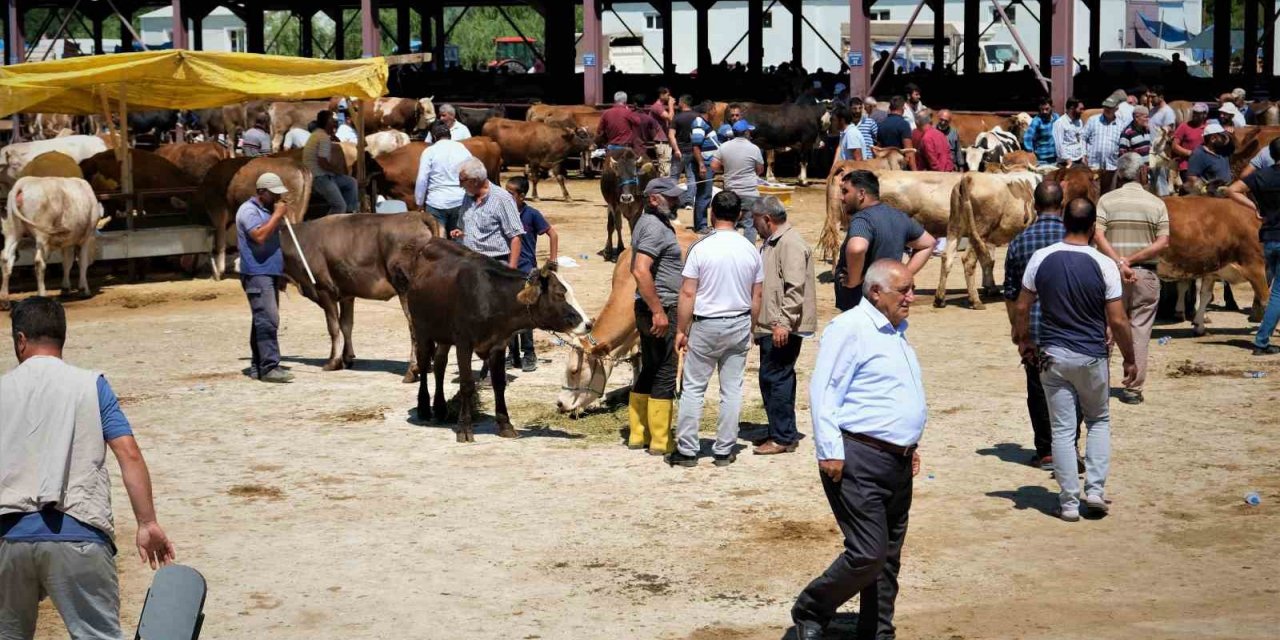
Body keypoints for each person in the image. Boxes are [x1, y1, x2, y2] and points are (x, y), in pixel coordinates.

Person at [0, 297, 177, 640]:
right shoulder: (91, 385)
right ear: (61, 338)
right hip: (79, 533)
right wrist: (147, 523)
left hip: (9, 538)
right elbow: (130, 454)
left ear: (20, 340)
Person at [790, 259, 926, 640]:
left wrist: (908, 444)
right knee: (868, 552)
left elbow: (891, 395)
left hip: (896, 461)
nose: (912, 298)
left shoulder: (896, 332)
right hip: (857, 457)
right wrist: (829, 450)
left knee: (887, 558)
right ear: (876, 291)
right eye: (905, 291)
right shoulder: (850, 328)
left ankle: (877, 633)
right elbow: (824, 391)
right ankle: (812, 608)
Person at [1013, 198, 1137, 522]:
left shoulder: (1041, 258)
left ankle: (1068, 503)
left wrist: (1023, 340)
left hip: (1052, 356)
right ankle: (1094, 491)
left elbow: (1022, 306)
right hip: (1092, 357)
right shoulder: (1105, 264)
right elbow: (1119, 320)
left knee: (1062, 431)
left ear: (1064, 223)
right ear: (1094, 227)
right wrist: (1130, 359)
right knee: (1098, 421)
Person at [668, 192, 764, 468]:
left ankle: (687, 449)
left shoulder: (701, 248)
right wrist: (752, 326)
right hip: (739, 321)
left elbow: (687, 293)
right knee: (731, 389)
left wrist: (681, 329)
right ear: (739, 216)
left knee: (694, 389)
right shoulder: (750, 249)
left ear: (712, 213)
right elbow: (756, 295)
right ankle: (724, 449)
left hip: (706, 323)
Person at [1003, 181, 1070, 469]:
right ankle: (1068, 449)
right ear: (1062, 204)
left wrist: (1018, 332)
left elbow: (1010, 293)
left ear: (1034, 205)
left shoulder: (1020, 241)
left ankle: (1046, 451)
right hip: (1072, 328)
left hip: (1035, 329)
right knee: (1072, 390)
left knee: (1038, 390)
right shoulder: (1076, 238)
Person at [1092, 153, 1168, 405]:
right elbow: (1162, 242)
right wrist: (1132, 260)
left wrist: (1118, 261)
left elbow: (1098, 235)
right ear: (1143, 172)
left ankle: (1098, 385)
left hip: (1111, 274)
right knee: (1140, 330)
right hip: (1144, 273)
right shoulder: (1156, 203)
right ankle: (1133, 388)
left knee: (1106, 328)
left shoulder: (1106, 201)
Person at [750, 197, 816, 455]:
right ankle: (781, 430)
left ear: (767, 219)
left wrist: (783, 323)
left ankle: (782, 437)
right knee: (774, 377)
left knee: (776, 377)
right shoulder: (775, 242)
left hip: (781, 325)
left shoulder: (790, 244)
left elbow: (795, 287)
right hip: (772, 322)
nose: (754, 226)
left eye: (756, 220)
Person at [628, 177, 687, 454]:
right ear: (653, 199)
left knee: (650, 367)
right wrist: (658, 312)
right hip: (660, 307)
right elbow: (640, 270)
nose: (676, 201)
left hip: (650, 305)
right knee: (665, 370)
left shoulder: (649, 221)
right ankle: (661, 441)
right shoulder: (654, 227)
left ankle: (639, 434)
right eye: (671, 197)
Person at [834, 170, 935, 311]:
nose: (841, 197)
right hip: (888, 304)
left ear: (861, 194)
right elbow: (928, 243)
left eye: (845, 191)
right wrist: (901, 276)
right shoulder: (898, 216)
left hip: (861, 304)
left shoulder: (862, 219)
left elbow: (857, 248)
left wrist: (853, 280)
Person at [236, 172, 294, 383]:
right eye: (273, 194)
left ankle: (258, 365)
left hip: (269, 271)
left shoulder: (264, 210)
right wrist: (277, 215)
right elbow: (259, 237)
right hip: (256, 273)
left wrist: (281, 271)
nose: (277, 199)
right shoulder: (248, 211)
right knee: (269, 319)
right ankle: (269, 367)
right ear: (262, 192)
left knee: (262, 319)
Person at [1226, 137, 1280, 356]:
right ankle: (1261, 341)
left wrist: (1255, 208)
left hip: (1269, 237)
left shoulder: (1261, 175)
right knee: (1277, 293)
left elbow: (1232, 190)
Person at [505, 175, 558, 372]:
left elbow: (553, 233)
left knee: (525, 313)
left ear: (521, 196)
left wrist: (552, 260)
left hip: (526, 270)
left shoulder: (531, 214)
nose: (506, 196)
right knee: (509, 314)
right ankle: (512, 354)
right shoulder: (503, 213)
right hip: (508, 269)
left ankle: (529, 353)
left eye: (510, 193)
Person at [448, 158, 522, 271]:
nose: (459, 185)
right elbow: (471, 226)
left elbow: (516, 236)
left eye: (462, 180)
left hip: (493, 264)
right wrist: (462, 234)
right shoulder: (468, 196)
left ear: (475, 180)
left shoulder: (502, 199)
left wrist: (511, 271)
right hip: (469, 260)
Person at [414, 121, 474, 236]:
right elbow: (471, 171)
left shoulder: (429, 151)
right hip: (459, 201)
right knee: (458, 243)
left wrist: (419, 203)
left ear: (434, 137)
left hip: (436, 202)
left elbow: (422, 179)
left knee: (439, 244)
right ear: (450, 136)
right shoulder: (462, 148)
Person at [711, 119, 766, 243]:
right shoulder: (754, 148)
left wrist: (727, 168)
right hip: (750, 192)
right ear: (746, 133)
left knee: (730, 223)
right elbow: (760, 170)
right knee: (750, 225)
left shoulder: (724, 147)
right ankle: (748, 249)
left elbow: (714, 166)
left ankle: (729, 247)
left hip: (731, 192)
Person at [303, 110, 359, 214]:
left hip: (323, 175)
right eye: (332, 121)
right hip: (319, 178)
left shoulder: (317, 134)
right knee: (339, 206)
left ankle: (350, 213)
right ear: (326, 122)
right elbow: (322, 162)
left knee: (351, 182)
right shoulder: (323, 137)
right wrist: (336, 171)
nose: (335, 123)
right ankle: (330, 226)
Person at [670, 96, 713, 230]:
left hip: (680, 151)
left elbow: (671, 135)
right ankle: (689, 201)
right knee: (691, 178)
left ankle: (671, 202)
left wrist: (676, 149)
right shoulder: (698, 117)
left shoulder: (677, 117)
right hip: (694, 152)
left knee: (674, 177)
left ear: (682, 103)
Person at [1082, 95, 1124, 170]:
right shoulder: (1093, 120)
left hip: (1112, 165)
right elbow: (1083, 137)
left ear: (1116, 109)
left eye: (1110, 107)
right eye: (1105, 107)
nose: (1107, 109)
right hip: (1093, 164)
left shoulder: (1121, 125)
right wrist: (1083, 154)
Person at [1186, 122, 1232, 187]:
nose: (1225, 139)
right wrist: (1206, 189)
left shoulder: (1223, 150)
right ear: (1213, 139)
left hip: (1227, 193)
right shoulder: (1199, 154)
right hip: (1211, 195)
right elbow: (1192, 178)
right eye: (1222, 137)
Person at [1172, 103, 1209, 177]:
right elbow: (1174, 146)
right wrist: (1190, 153)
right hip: (1187, 166)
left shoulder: (1209, 128)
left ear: (1205, 115)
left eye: (1198, 113)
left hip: (1204, 166)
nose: (1195, 115)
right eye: (1194, 112)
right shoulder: (1184, 126)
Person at [1023, 98, 1059, 166]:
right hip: (1042, 159)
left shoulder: (1056, 118)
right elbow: (1027, 137)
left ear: (1051, 107)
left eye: (1047, 109)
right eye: (1042, 109)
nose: (1044, 111)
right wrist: (1030, 151)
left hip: (1055, 157)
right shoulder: (1037, 121)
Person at [1052, 97, 1085, 165]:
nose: (1083, 111)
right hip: (1066, 162)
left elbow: (1082, 139)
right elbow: (1059, 144)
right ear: (1072, 108)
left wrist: (1083, 155)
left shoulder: (1079, 121)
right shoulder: (1060, 123)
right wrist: (1068, 160)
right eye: (1080, 109)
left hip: (1079, 159)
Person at [650, 87, 675, 175]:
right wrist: (671, 105)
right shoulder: (657, 107)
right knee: (665, 169)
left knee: (665, 166)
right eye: (668, 95)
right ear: (661, 95)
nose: (669, 97)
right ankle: (664, 187)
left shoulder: (660, 107)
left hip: (663, 140)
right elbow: (671, 118)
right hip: (661, 141)